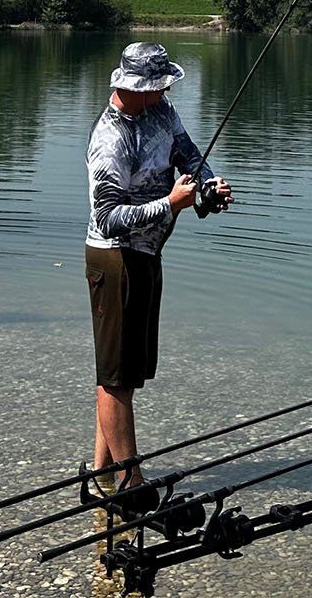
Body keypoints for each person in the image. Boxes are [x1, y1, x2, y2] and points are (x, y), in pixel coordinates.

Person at [85, 41, 233, 504]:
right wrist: (169, 203)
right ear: (137, 87)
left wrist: (208, 187)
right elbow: (107, 218)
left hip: (148, 255)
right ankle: (130, 485)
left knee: (123, 373)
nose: (167, 88)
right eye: (160, 83)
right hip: (115, 259)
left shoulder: (161, 112)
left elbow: (190, 155)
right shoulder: (110, 139)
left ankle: (100, 477)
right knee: (116, 377)